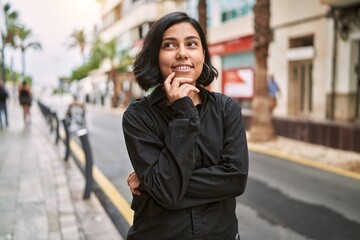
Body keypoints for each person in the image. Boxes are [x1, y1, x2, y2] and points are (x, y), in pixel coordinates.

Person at [122, 12, 249, 240]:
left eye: (191, 44)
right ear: (155, 55)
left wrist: (155, 184)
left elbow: (235, 179)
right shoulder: (138, 116)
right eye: (169, 45)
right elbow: (165, 191)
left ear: (202, 54)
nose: (182, 53)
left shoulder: (226, 109)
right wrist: (184, 113)